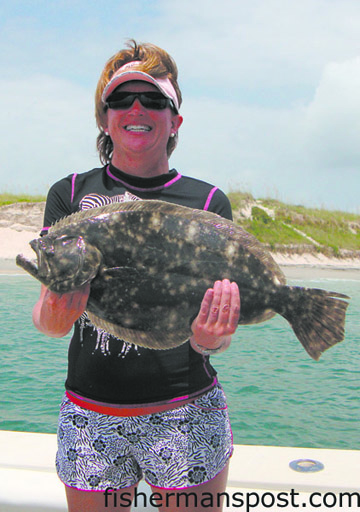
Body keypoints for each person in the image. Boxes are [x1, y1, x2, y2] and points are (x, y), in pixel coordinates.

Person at [33, 40, 240, 512]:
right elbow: (50, 321)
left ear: (175, 120)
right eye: (121, 99)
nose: (136, 109)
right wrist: (55, 312)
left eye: (153, 99)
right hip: (91, 414)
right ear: (105, 118)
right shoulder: (69, 194)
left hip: (184, 411)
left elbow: (215, 333)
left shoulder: (209, 205)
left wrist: (211, 339)